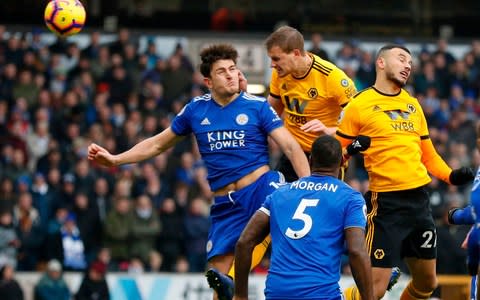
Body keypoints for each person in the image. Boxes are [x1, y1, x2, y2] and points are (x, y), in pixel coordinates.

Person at [87, 44, 310, 300]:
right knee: (219, 287)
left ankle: (237, 283)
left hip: (261, 188)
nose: (230, 75)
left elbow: (292, 148)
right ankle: (233, 289)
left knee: (252, 241)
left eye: (233, 69)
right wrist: (116, 159)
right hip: (226, 205)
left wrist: (309, 187)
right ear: (208, 81)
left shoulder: (256, 106)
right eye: (222, 71)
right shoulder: (195, 110)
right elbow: (158, 143)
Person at [335, 44, 475, 300]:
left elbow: (428, 155)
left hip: (419, 203)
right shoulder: (359, 104)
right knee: (374, 290)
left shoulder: (413, 105)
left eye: (410, 62)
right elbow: (334, 155)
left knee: (426, 284)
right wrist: (352, 149)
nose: (408, 65)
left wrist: (451, 177)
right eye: (401, 59)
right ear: (381, 62)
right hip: (386, 205)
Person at [233, 135, 374, 300]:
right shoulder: (351, 198)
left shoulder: (279, 194)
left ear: (311, 160)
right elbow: (356, 251)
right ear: (341, 163)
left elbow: (244, 242)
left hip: (277, 293)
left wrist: (240, 295)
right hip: (321, 294)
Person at [265, 25, 357, 182]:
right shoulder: (280, 73)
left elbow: (360, 120)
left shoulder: (332, 77)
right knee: (277, 202)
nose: (272, 65)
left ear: (295, 53)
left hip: (325, 158)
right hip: (292, 153)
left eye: (276, 59)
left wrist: (329, 130)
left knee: (322, 205)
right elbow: (270, 111)